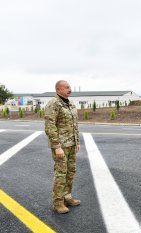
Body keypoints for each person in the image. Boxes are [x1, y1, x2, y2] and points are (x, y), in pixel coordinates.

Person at [44, 80, 81, 214]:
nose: (69, 89)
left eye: (70, 87)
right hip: (61, 145)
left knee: (71, 171)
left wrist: (77, 141)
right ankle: (58, 202)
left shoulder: (70, 103)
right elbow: (50, 126)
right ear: (58, 89)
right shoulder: (54, 104)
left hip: (71, 144)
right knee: (61, 172)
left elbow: (74, 124)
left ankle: (67, 197)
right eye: (66, 87)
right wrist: (57, 146)